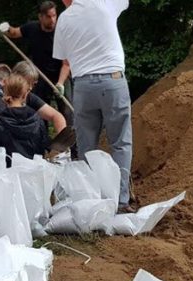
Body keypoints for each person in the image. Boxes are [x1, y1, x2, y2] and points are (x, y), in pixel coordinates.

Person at [53, 0, 134, 212]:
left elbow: (64, 58)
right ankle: (120, 201)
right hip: (112, 80)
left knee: (87, 147)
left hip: (82, 86)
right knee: (120, 143)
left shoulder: (64, 18)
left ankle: (91, 201)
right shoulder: (104, 3)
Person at [0, 1, 73, 124]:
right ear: (40, 17)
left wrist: (60, 83)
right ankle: (42, 139)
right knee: (39, 111)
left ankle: (70, 141)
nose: (53, 20)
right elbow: (15, 32)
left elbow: (66, 63)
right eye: (49, 16)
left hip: (61, 76)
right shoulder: (32, 28)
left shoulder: (62, 31)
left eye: (54, 16)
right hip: (39, 76)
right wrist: (5, 28)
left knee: (67, 111)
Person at [0, 61, 66, 147]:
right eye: (27, 83)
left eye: (33, 84)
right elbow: (7, 128)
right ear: (15, 78)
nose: (30, 87)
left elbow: (56, 116)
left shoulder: (28, 96)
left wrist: (61, 145)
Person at [0, 73, 49, 160]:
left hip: (8, 171)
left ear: (5, 92)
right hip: (33, 169)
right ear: (25, 94)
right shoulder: (37, 119)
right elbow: (43, 147)